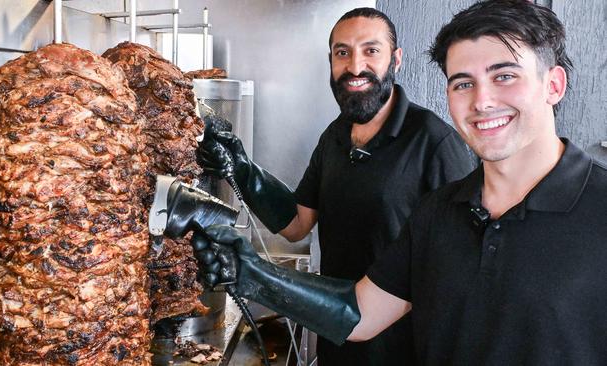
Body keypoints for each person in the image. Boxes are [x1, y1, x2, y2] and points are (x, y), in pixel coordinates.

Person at [189, 0, 607, 365]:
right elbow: (356, 305)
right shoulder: (439, 212)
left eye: (505, 76)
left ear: (553, 85)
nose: (482, 101)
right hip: (346, 343)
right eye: (463, 83)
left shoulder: (436, 145)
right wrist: (251, 262)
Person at [197, 7, 475, 365]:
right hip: (338, 342)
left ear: (396, 60)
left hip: (402, 352)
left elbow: (459, 277)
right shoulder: (336, 136)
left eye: (371, 51)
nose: (355, 67)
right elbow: (297, 224)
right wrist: (243, 169)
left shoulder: (434, 144)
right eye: (342, 52)